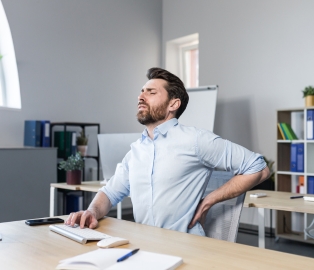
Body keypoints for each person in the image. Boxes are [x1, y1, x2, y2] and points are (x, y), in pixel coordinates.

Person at [66, 67, 270, 236]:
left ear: (173, 104)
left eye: (151, 92)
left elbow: (259, 167)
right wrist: (92, 211)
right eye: (141, 91)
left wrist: (210, 199)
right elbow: (109, 193)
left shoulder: (196, 140)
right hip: (145, 248)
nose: (141, 96)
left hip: (186, 249)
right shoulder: (136, 151)